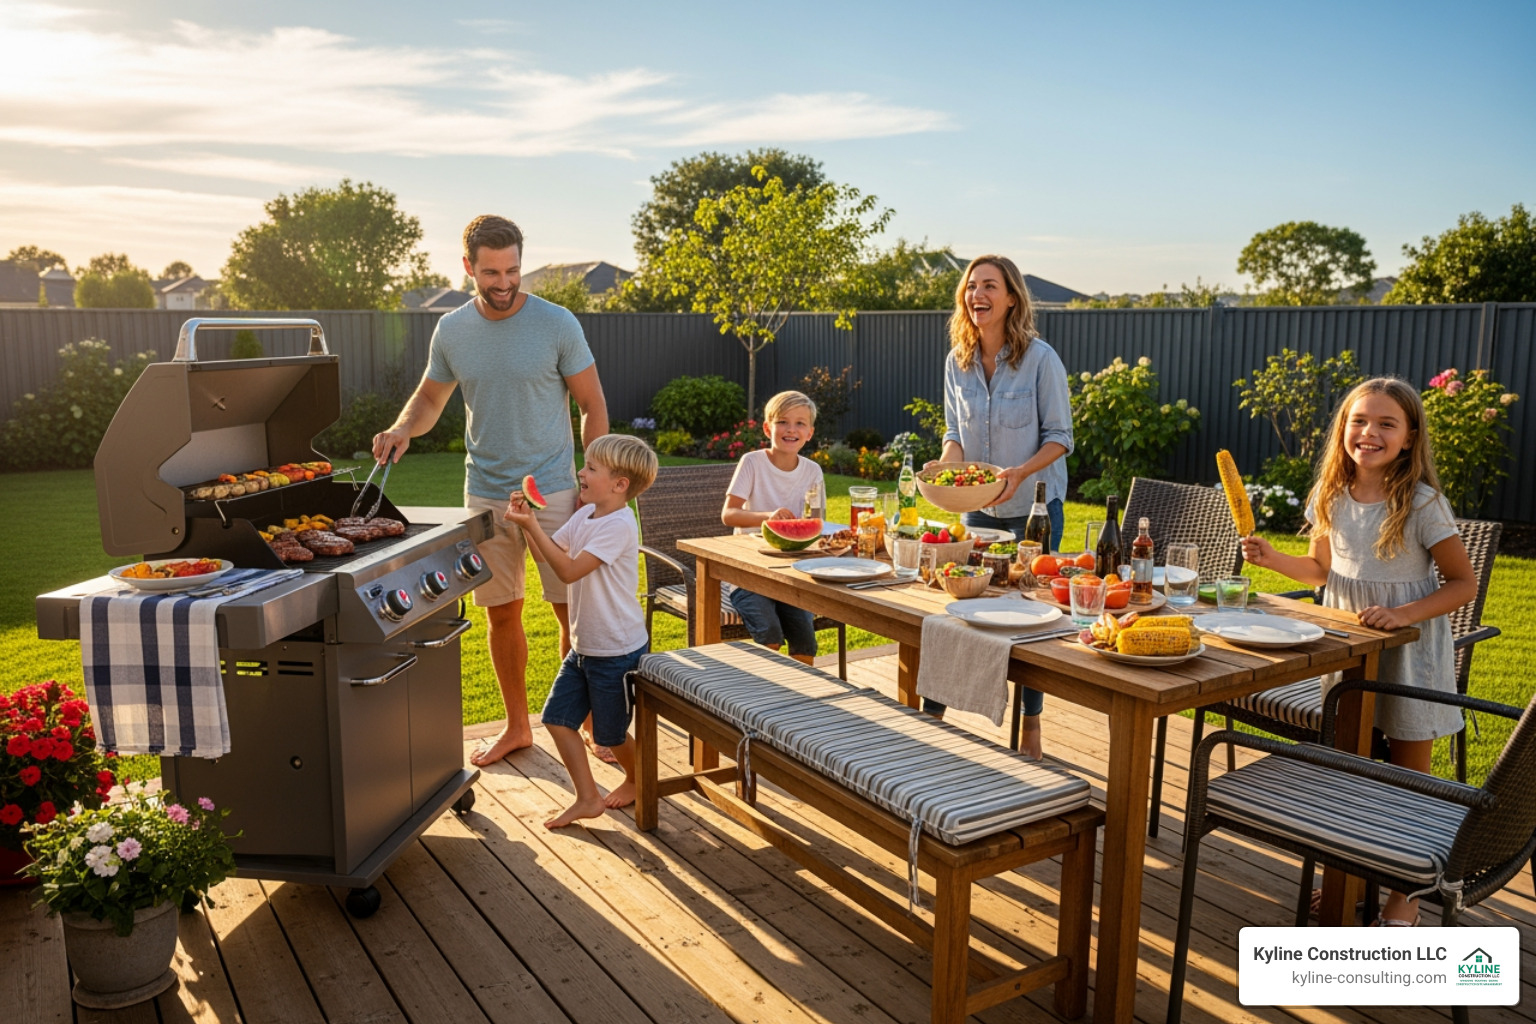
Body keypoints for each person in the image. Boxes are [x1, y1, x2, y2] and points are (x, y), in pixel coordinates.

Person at [372, 215, 610, 768]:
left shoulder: (557, 324)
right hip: (487, 494)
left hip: (554, 492)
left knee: (570, 612)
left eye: (512, 270)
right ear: (468, 268)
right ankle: (517, 726)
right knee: (500, 614)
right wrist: (403, 428)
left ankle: (592, 722)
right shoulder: (452, 330)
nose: (503, 283)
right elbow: (430, 399)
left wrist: (593, 481)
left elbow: (592, 405)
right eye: (490, 272)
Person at [1241, 377, 1476, 928]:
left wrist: (1402, 614)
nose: (1369, 433)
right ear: (1343, 429)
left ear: (1409, 435)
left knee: (1407, 776)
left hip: (1408, 653)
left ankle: (1405, 894)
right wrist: (1274, 559)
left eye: (1386, 423)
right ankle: (1346, 875)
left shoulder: (1420, 502)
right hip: (1347, 646)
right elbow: (1322, 570)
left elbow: (1461, 584)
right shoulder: (1330, 493)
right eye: (1359, 421)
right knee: (1350, 765)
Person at [923, 255, 1073, 759]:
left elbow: (1060, 439)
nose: (976, 294)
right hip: (976, 509)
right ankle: (934, 714)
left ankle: (1031, 727)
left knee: (1032, 619)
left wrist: (1019, 474)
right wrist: (946, 468)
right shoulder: (956, 361)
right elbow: (954, 436)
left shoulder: (1041, 359)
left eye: (990, 285)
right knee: (958, 610)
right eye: (970, 286)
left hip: (1032, 509)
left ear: (1011, 297)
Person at [502, 434, 659, 828]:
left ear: (620, 485)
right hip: (585, 646)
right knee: (556, 719)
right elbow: (545, 553)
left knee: (611, 735)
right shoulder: (585, 515)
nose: (581, 472)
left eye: (591, 468)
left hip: (617, 650)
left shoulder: (619, 525)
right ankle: (587, 797)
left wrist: (532, 527)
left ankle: (641, 778)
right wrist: (529, 523)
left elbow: (569, 570)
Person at [720, 391, 825, 665]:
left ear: (810, 433)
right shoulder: (752, 462)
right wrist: (769, 517)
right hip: (747, 573)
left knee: (805, 638)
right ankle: (765, 697)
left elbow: (816, 522)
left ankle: (798, 697)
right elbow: (729, 515)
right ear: (768, 428)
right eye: (783, 422)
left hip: (792, 574)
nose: (791, 429)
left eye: (800, 423)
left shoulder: (813, 471)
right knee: (770, 633)